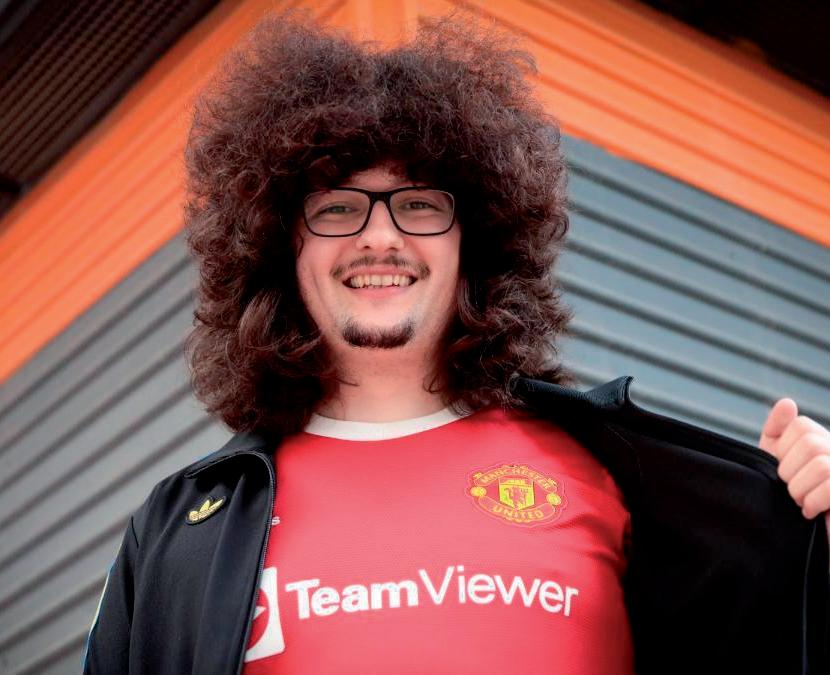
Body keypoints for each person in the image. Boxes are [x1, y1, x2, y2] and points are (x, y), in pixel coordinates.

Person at [82, 10, 830, 674]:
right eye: (337, 208)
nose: (381, 236)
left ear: (475, 241)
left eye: (418, 204)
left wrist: (806, 539)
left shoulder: (620, 476)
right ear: (281, 245)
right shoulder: (179, 528)